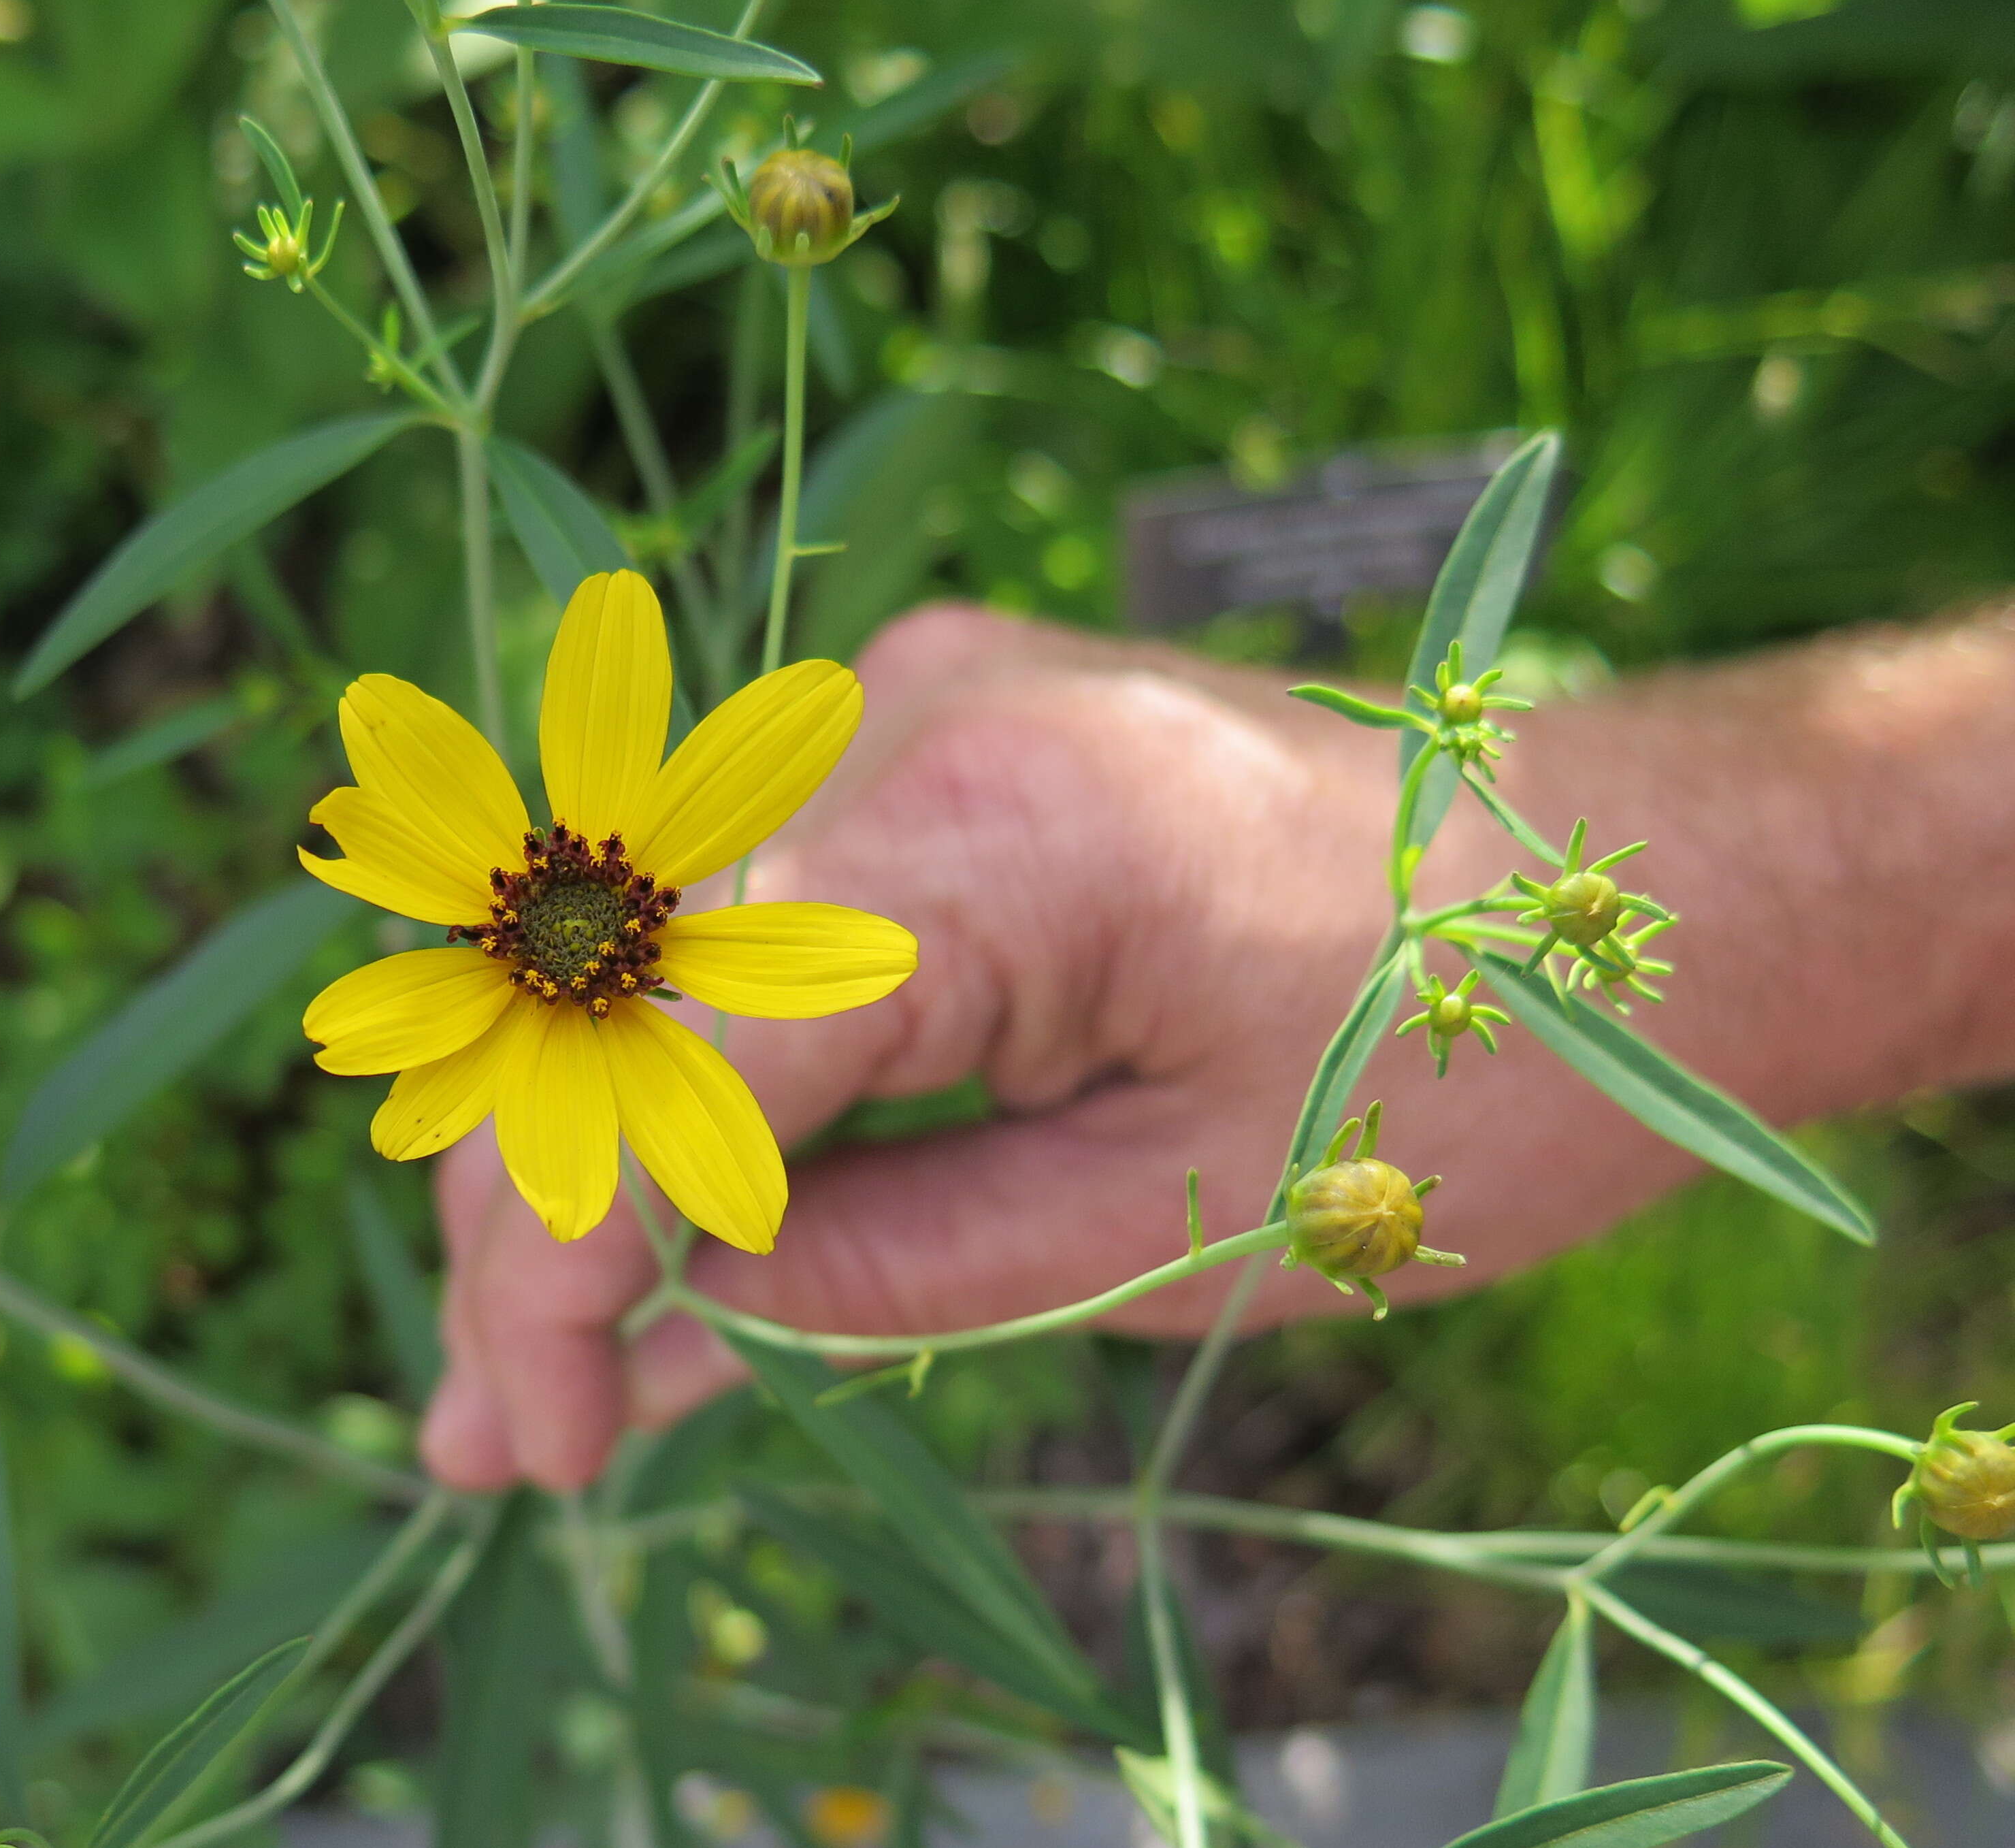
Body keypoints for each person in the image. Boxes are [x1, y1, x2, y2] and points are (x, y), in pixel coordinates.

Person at [417, 598, 2015, 1492]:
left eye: (585, 918)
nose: (570, 933)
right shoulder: (530, 975)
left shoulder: (689, 946)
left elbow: (827, 953)